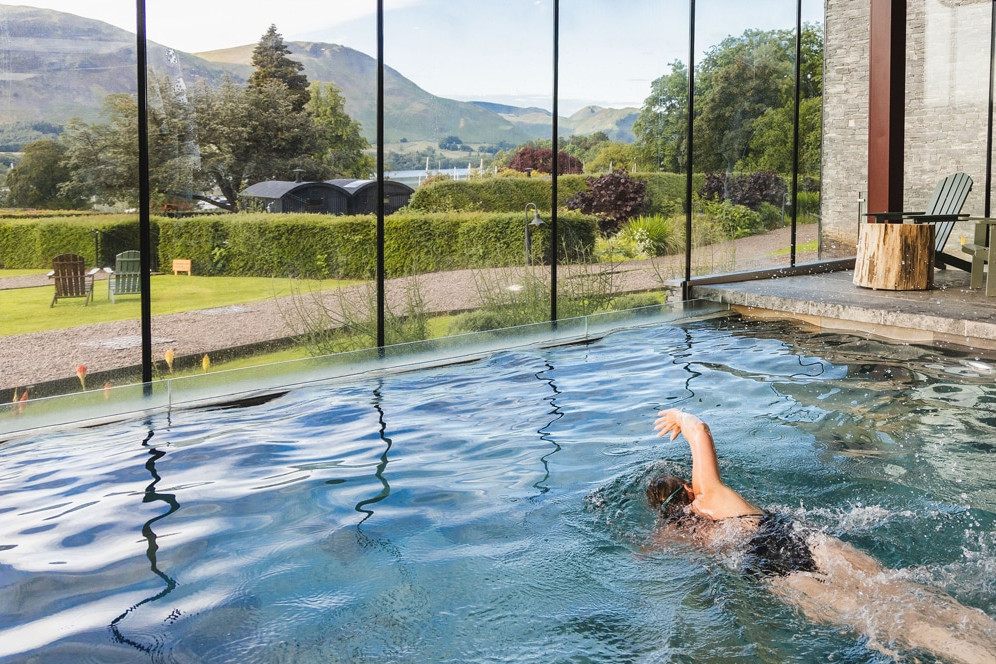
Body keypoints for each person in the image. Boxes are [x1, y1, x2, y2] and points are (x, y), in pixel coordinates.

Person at [650, 408, 996, 664]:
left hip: (769, 569)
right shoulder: (709, 493)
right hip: (790, 535)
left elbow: (646, 555)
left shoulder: (676, 534)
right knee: (897, 589)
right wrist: (679, 417)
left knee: (886, 621)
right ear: (687, 486)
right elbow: (700, 429)